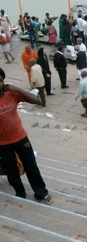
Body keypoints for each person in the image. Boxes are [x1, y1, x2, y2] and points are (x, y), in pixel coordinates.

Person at [0, 68, 52, 204]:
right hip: (2, 144)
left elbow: (37, 101)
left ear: (3, 82)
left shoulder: (11, 94)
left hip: (21, 138)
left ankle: (41, 193)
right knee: (11, 170)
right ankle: (20, 193)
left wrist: (16, 88)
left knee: (31, 166)